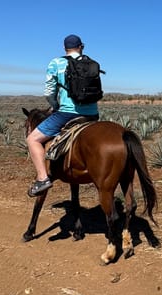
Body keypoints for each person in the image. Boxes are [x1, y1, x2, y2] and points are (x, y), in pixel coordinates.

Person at [26, 34, 100, 197]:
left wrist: (55, 106)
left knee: (32, 139)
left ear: (65, 48)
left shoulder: (57, 63)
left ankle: (43, 178)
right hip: (93, 115)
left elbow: (49, 92)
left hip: (67, 113)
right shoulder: (91, 63)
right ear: (81, 47)